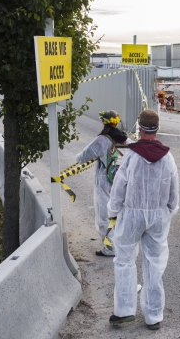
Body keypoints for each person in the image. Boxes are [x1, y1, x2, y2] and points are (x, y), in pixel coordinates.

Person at [107, 109, 179, 330]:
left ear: (139, 128)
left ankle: (124, 311)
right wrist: (167, 211)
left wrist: (113, 211)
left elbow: (119, 188)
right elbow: (174, 194)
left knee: (124, 261)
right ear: (157, 129)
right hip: (158, 216)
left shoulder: (131, 156)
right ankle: (154, 316)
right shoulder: (167, 157)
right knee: (154, 264)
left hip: (131, 214)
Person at [76, 110, 131, 257]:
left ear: (103, 122)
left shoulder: (101, 140)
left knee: (105, 216)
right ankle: (122, 244)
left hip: (106, 183)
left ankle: (109, 248)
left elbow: (82, 157)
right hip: (123, 182)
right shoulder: (126, 139)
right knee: (121, 213)